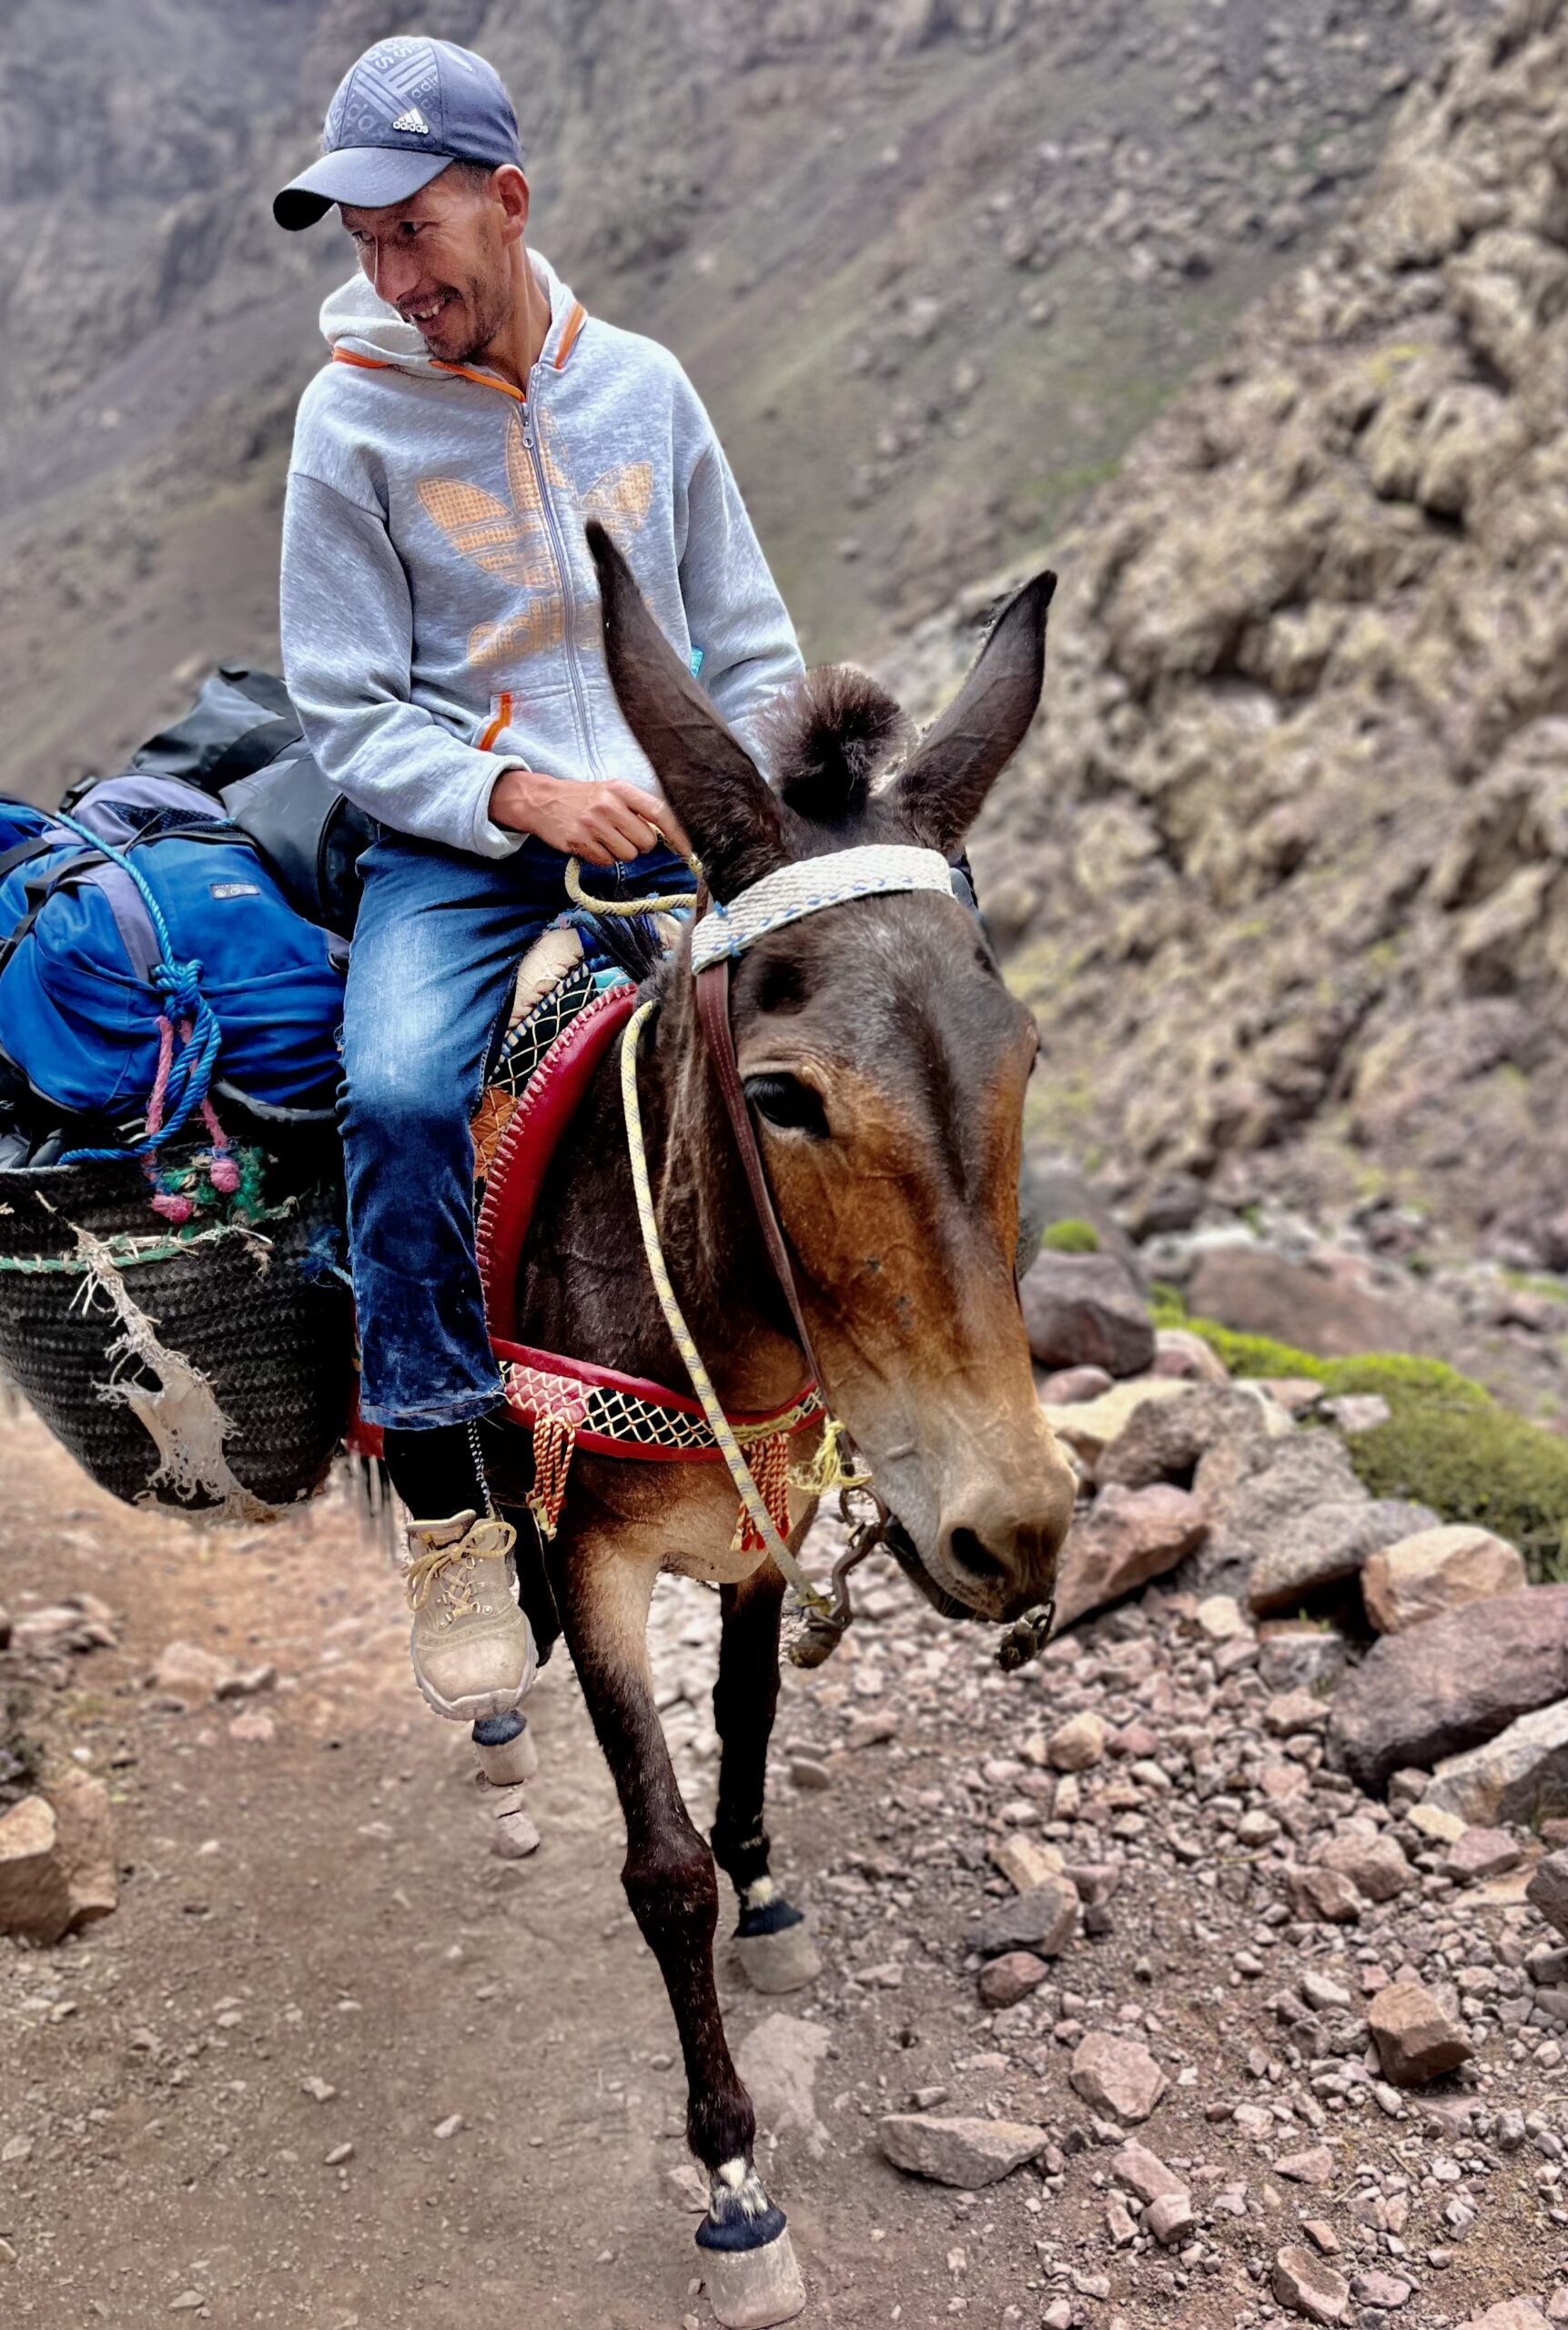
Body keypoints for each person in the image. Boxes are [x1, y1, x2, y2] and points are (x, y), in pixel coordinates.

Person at [274, 35, 804, 1725]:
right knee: (402, 1090)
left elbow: (756, 636)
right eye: (361, 243)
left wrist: (758, 810)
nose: (388, 273)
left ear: (505, 203)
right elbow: (346, 705)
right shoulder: (347, 422)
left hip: (681, 824)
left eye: (412, 230)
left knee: (863, 1039)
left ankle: (847, 1412)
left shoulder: (643, 387)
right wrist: (517, 795)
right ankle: (441, 1486)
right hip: (464, 845)